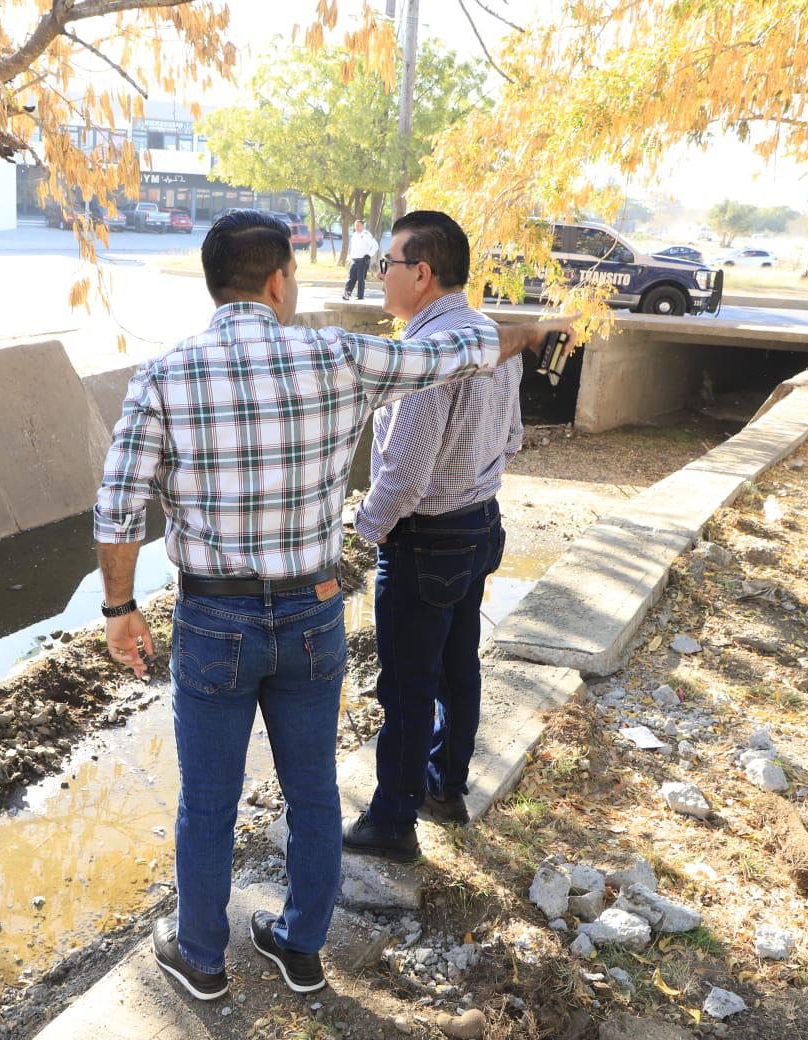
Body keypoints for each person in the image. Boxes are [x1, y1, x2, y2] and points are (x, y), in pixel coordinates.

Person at [93, 209, 573, 1003]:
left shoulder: (163, 376)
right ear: (278, 281)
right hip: (312, 615)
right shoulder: (335, 356)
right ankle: (301, 947)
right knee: (313, 790)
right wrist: (530, 332)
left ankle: (202, 958)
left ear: (217, 286)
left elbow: (117, 511)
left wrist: (120, 608)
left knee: (207, 802)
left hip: (213, 621)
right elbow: (455, 353)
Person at [342, 211, 523, 862]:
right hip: (479, 526)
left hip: (426, 542)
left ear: (421, 273)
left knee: (407, 688)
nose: (379, 276)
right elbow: (514, 438)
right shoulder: (490, 336)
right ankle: (445, 789)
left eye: (386, 264)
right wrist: (471, 480)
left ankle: (393, 822)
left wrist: (364, 531)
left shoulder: (424, 356)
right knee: (456, 666)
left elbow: (404, 475)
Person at [343, 219, 379, 300]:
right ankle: (347, 293)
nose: (357, 227)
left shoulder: (366, 234)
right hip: (353, 260)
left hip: (362, 260)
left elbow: (375, 245)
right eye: (356, 225)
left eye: (359, 225)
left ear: (362, 226)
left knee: (360, 279)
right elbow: (352, 248)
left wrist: (369, 255)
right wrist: (349, 258)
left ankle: (360, 296)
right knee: (351, 278)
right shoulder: (354, 235)